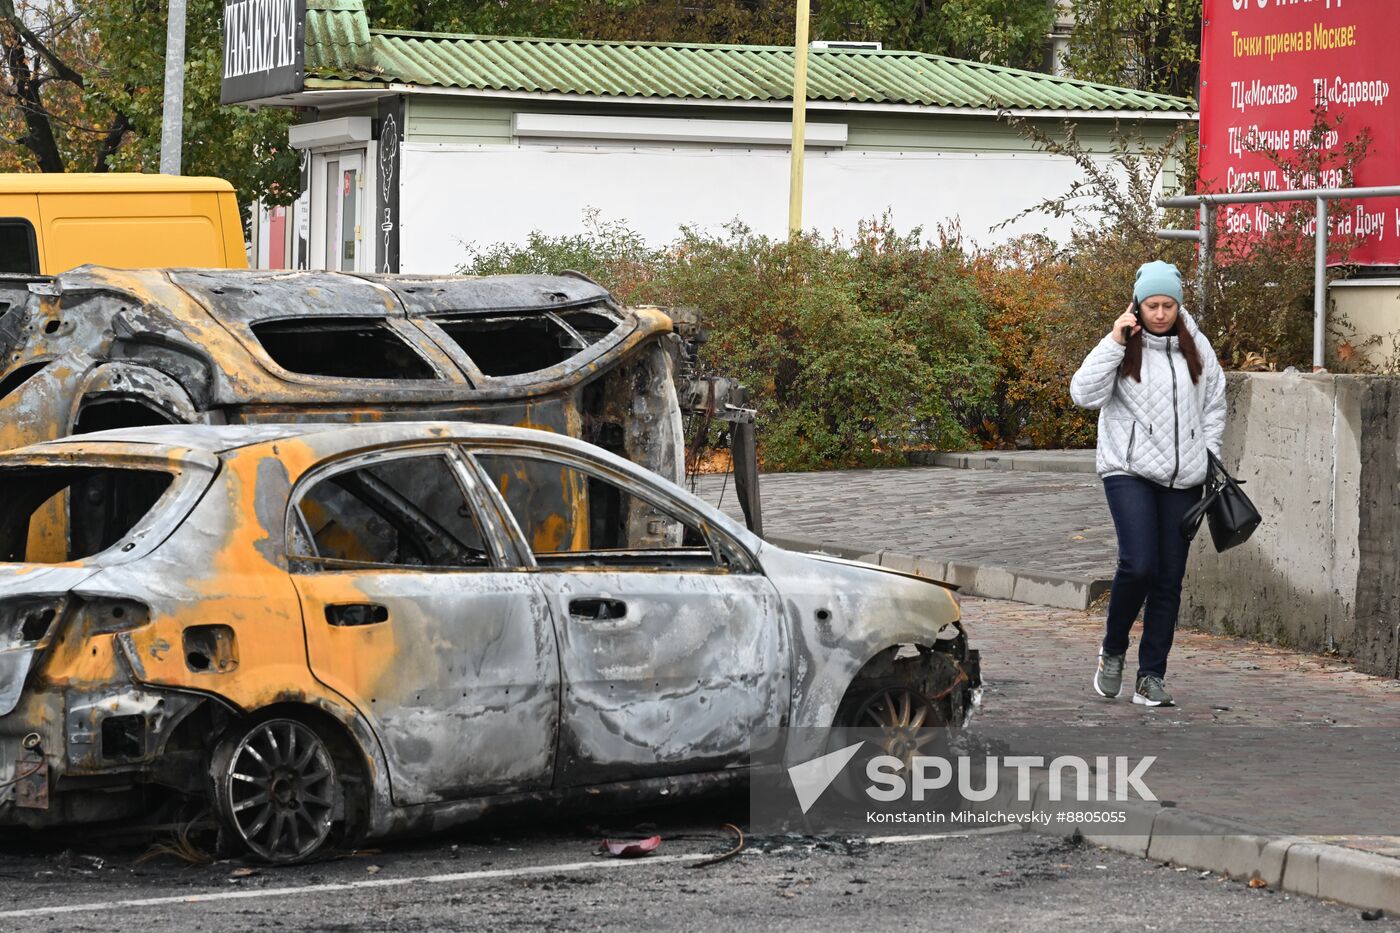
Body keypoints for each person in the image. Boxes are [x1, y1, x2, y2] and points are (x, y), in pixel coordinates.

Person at [1070, 260, 1226, 707]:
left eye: (1169, 304)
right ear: (1138, 304)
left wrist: (1206, 450)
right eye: (1152, 305)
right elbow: (1083, 395)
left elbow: (1214, 400)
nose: (1160, 313)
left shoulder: (1195, 344)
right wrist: (1115, 341)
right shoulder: (1123, 343)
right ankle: (1113, 649)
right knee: (1138, 564)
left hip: (1185, 477)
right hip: (1129, 470)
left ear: (1179, 304)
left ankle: (1151, 676)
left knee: (1168, 578)